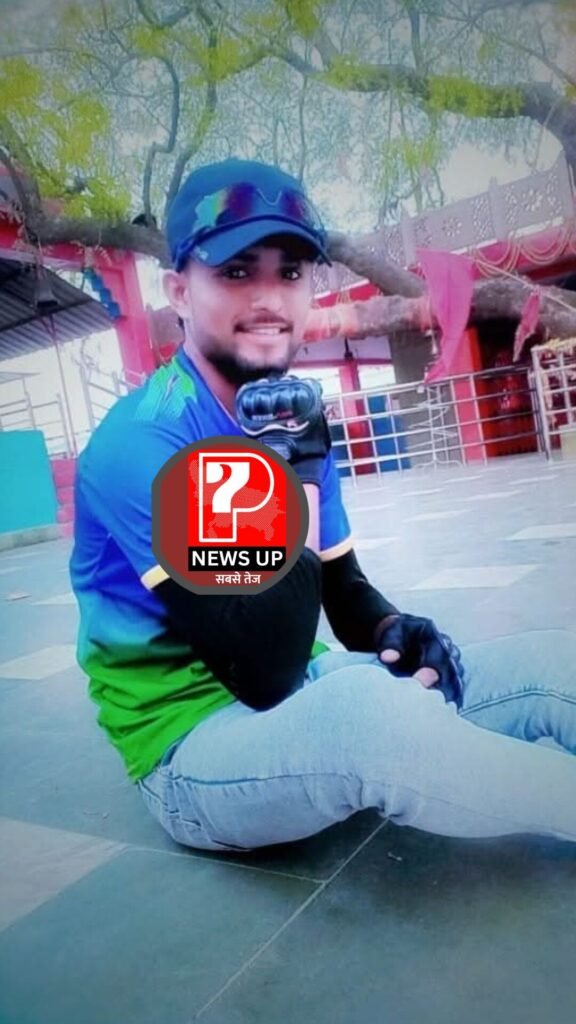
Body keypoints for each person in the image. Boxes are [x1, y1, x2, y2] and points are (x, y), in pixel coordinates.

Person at [70, 158, 576, 854]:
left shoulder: (282, 417)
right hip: (191, 750)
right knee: (368, 714)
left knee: (549, 662)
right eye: (237, 271)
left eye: (290, 271)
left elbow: (343, 591)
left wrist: (396, 627)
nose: (270, 298)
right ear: (179, 291)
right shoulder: (145, 441)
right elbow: (263, 669)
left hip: (305, 687)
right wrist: (294, 471)